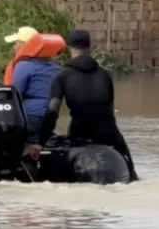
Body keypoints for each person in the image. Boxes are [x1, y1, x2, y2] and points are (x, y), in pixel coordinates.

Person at [35, 30, 139, 181]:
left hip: (81, 133)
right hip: (108, 134)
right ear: (89, 47)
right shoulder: (104, 74)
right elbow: (109, 111)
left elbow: (52, 112)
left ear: (69, 47)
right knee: (122, 147)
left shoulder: (62, 76)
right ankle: (133, 175)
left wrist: (40, 142)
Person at [3, 27, 65, 143]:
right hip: (49, 119)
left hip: (30, 118)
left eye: (16, 43)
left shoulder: (24, 66)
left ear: (24, 45)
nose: (14, 47)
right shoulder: (54, 67)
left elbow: (15, 96)